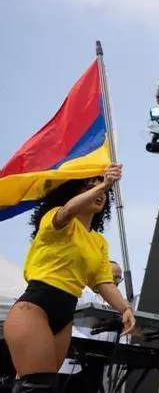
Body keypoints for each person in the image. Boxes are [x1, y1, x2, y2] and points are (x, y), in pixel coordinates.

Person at [5, 165, 135, 393]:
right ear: (72, 193)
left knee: (47, 386)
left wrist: (125, 309)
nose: (99, 192)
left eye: (103, 189)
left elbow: (103, 282)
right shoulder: (56, 218)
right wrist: (104, 184)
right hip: (35, 307)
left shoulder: (98, 242)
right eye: (89, 186)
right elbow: (66, 212)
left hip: (65, 314)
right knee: (37, 385)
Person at [59, 260, 125, 393]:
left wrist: (125, 346)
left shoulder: (118, 302)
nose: (117, 281)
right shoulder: (81, 293)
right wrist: (87, 344)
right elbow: (66, 323)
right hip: (72, 365)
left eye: (120, 278)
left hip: (98, 366)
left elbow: (120, 331)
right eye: (114, 277)